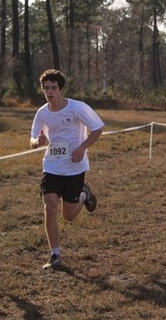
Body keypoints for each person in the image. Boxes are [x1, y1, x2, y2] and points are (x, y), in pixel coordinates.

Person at [30, 69, 104, 269]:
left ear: (60, 89)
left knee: (68, 216)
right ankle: (55, 255)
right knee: (49, 205)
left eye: (53, 88)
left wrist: (82, 147)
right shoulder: (42, 112)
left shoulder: (76, 108)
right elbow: (32, 140)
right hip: (52, 165)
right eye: (46, 88)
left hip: (73, 167)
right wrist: (38, 141)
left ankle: (83, 194)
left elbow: (98, 128)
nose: (50, 92)